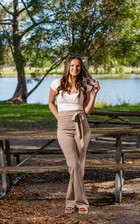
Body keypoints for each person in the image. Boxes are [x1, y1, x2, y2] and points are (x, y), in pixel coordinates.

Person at [48, 53, 100, 215]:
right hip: (63, 125)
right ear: (67, 66)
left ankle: (70, 201)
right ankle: (82, 202)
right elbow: (50, 103)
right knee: (74, 165)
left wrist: (95, 94)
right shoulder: (57, 83)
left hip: (81, 124)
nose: (75, 68)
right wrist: (58, 117)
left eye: (78, 66)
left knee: (80, 166)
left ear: (81, 67)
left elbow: (87, 110)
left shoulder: (84, 84)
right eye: (72, 65)